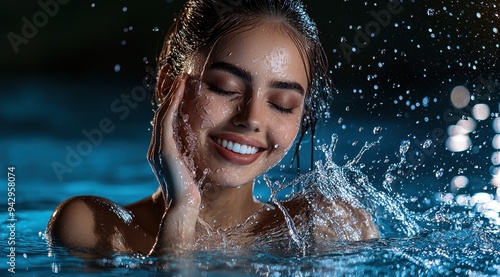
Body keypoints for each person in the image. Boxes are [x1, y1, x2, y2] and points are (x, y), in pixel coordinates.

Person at [46, 0, 379, 257]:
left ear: (303, 115)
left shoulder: (329, 229)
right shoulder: (96, 228)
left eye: (282, 104)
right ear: (167, 87)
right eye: (224, 87)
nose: (251, 118)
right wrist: (180, 217)